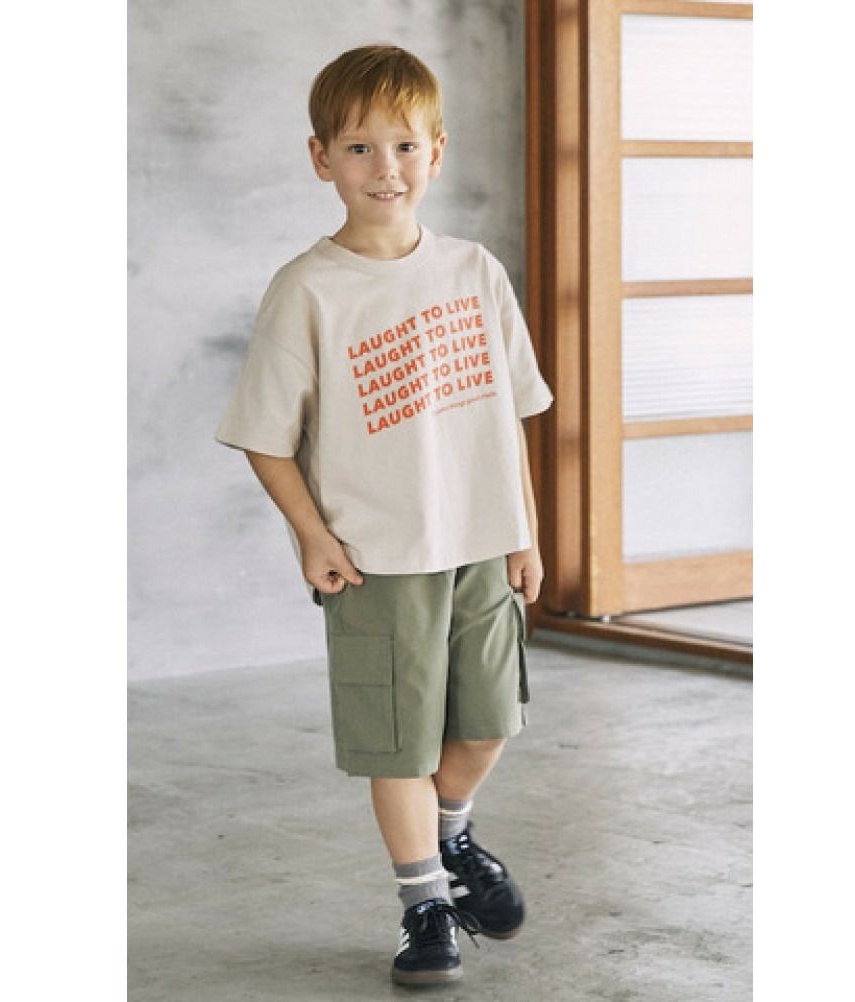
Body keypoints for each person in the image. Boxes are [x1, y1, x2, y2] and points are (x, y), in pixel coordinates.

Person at [215, 44, 553, 987]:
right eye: (359, 148)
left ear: (436, 152)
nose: (385, 168)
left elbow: (509, 414)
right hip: (377, 556)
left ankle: (451, 837)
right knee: (397, 742)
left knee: (487, 724)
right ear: (321, 158)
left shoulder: (476, 271)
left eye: (404, 146)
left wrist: (523, 531)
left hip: (481, 544)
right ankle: (425, 905)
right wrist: (313, 535)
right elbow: (265, 436)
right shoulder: (308, 289)